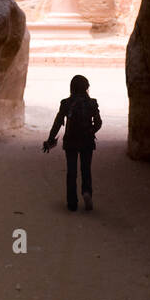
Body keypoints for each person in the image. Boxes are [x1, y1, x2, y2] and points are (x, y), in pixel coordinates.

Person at [42, 73, 102, 211]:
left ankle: (72, 203)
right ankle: (87, 192)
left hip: (70, 141)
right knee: (86, 169)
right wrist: (90, 131)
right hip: (87, 141)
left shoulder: (66, 103)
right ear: (86, 87)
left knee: (71, 171)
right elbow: (98, 123)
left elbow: (57, 123)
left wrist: (50, 139)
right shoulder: (92, 103)